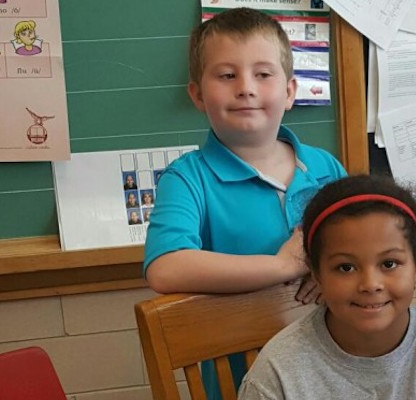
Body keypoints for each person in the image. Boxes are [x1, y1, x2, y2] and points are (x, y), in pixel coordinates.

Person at [143, 7, 346, 398]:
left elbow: (363, 248)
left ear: (289, 91)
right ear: (198, 94)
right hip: (240, 382)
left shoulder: (326, 167)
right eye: (226, 75)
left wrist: (332, 272)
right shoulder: (188, 178)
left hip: (332, 375)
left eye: (263, 74)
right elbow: (165, 268)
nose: (246, 87)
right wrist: (283, 265)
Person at [240, 175, 416, 399]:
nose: (370, 285)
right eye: (345, 267)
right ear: (317, 275)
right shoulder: (278, 373)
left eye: (389, 264)